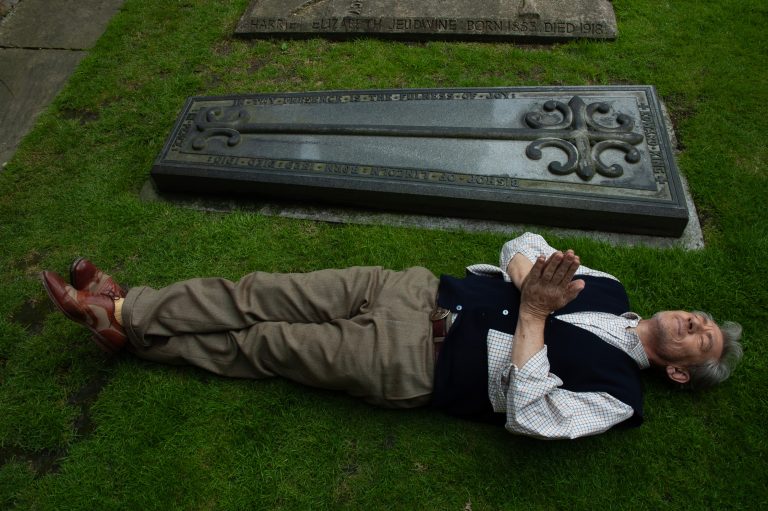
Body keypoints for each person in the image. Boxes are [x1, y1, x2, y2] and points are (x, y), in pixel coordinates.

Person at [40, 233, 743, 439]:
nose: (696, 324)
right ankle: (129, 309)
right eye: (703, 318)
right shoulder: (611, 287)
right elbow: (520, 243)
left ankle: (125, 320)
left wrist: (533, 314)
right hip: (413, 289)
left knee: (265, 343)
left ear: (679, 370)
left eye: (702, 340)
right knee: (260, 291)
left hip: (415, 361)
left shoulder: (620, 398)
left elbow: (532, 414)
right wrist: (531, 277)